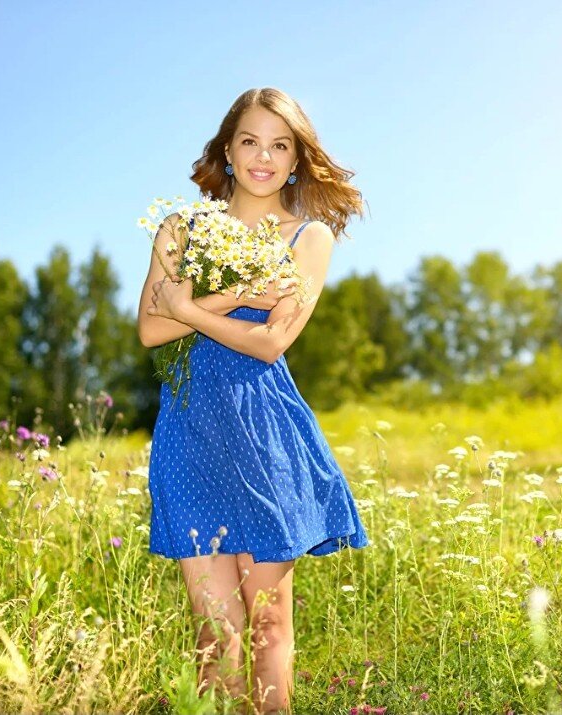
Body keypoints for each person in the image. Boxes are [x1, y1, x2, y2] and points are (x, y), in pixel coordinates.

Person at [137, 87, 370, 715]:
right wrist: (213, 300)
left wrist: (184, 307)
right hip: (189, 432)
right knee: (216, 634)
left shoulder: (308, 238)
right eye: (249, 141)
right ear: (227, 150)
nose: (263, 157)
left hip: (264, 433)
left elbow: (270, 343)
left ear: (296, 159)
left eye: (279, 145)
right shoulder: (181, 229)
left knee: (267, 627)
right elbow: (152, 330)